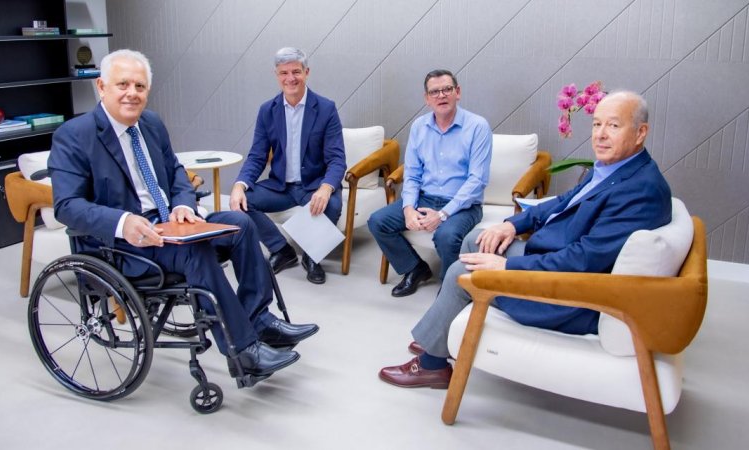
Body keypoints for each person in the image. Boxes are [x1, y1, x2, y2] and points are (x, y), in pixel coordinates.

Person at [48, 49, 319, 383]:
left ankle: (259, 319)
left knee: (241, 224)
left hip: (170, 225)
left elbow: (176, 172)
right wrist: (122, 222)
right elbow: (67, 206)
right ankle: (243, 351)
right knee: (195, 252)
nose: (132, 93)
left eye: (140, 86)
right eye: (123, 85)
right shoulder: (75, 135)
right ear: (102, 87)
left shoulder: (150, 123)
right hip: (123, 244)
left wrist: (183, 205)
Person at [379, 91, 672, 388]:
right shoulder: (613, 170)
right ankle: (440, 332)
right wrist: (510, 225)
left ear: (640, 132)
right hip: (556, 262)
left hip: (570, 295)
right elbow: (561, 202)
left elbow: (584, 259)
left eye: (613, 125)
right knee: (478, 239)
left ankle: (432, 365)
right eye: (597, 124)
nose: (600, 134)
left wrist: (506, 267)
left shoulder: (640, 190)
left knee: (462, 272)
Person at [368, 69, 492, 297]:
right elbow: (412, 174)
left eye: (447, 89)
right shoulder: (419, 126)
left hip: (463, 205)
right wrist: (408, 208)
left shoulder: (477, 126)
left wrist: (442, 214)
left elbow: (477, 180)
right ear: (427, 98)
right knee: (378, 221)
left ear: (457, 92)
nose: (441, 95)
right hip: (425, 197)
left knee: (446, 236)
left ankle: (450, 288)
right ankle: (415, 269)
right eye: (434, 92)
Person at [229, 47, 347, 285]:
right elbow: (257, 156)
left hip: (313, 185)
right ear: (277, 75)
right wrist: (239, 185)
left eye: (296, 72)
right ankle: (282, 250)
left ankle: (312, 258)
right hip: (280, 187)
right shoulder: (267, 110)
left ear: (306, 72)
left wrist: (326, 188)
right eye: (284, 73)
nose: (290, 78)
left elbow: (337, 158)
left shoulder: (325, 108)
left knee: (333, 204)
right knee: (241, 202)